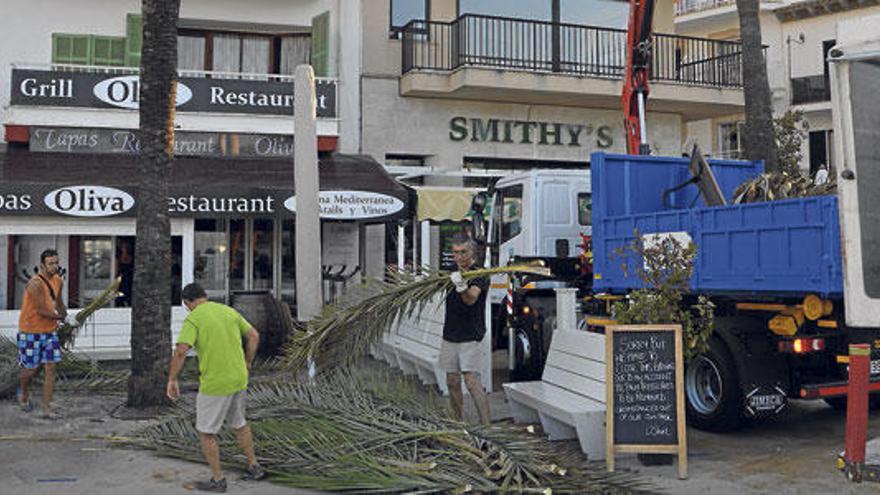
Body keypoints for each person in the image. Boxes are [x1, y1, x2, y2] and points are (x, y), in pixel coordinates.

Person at [166, 283, 266, 493]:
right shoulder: (228, 310)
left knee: (206, 432)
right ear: (205, 296)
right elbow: (254, 335)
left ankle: (218, 480)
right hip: (239, 378)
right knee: (239, 423)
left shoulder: (194, 318)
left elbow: (181, 351)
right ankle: (254, 467)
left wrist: (172, 379)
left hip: (216, 383)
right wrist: (248, 362)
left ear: (187, 303)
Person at [18, 248, 77, 418]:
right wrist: (62, 318)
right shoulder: (35, 283)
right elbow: (41, 310)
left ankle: (46, 408)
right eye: (51, 263)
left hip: (49, 332)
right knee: (31, 369)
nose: (55, 266)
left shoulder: (58, 280)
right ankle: (23, 392)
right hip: (31, 331)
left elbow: (59, 303)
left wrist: (67, 316)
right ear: (42, 265)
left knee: (51, 368)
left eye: (57, 262)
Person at [443, 234, 491, 425]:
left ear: (472, 252)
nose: (459, 257)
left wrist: (461, 285)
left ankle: (487, 426)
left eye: (463, 252)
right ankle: (458, 423)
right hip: (450, 332)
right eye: (455, 253)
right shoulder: (449, 272)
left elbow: (471, 299)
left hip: (471, 333)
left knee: (471, 381)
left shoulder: (480, 274)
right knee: (452, 381)